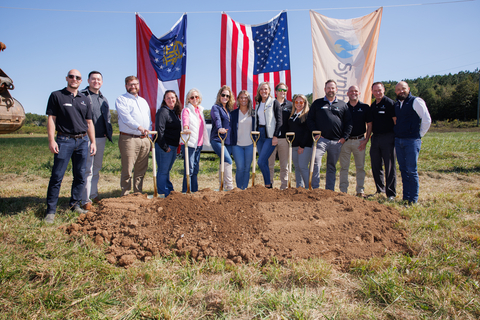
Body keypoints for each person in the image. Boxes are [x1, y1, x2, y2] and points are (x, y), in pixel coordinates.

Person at [44, 69, 96, 223]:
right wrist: (51, 140)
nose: (74, 79)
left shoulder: (85, 99)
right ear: (66, 78)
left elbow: (89, 122)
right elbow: (51, 119)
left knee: (80, 175)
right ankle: (51, 211)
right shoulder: (56, 96)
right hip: (64, 140)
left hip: (82, 141)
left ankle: (75, 204)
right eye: (71, 76)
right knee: (57, 176)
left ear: (81, 81)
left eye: (77, 77)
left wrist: (92, 142)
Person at [307, 79, 352, 191]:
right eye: (328, 88)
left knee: (331, 167)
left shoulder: (343, 105)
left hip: (336, 142)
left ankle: (329, 191)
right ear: (325, 89)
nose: (330, 90)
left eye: (332, 88)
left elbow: (349, 123)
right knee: (315, 162)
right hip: (320, 141)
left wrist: (344, 138)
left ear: (336, 89)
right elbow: (310, 120)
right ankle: (315, 189)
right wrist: (316, 134)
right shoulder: (317, 103)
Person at [394, 81, 431, 205]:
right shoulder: (397, 104)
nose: (401, 91)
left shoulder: (416, 101)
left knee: (411, 170)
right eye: (398, 89)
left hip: (411, 141)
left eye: (403, 88)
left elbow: (426, 119)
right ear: (395, 92)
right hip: (399, 141)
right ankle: (406, 197)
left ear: (408, 89)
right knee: (403, 170)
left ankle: (413, 199)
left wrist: (419, 135)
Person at [80, 71, 113, 210]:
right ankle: (84, 199)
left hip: (101, 138)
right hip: (86, 138)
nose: (96, 81)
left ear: (102, 82)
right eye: (93, 79)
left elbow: (108, 117)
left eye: (99, 79)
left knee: (96, 169)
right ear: (88, 80)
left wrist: (107, 132)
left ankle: (93, 194)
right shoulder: (81, 96)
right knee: (87, 169)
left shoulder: (103, 99)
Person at [115, 76, 151, 197]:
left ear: (138, 85)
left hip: (144, 139)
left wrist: (148, 134)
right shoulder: (121, 100)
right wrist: (139, 127)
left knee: (141, 169)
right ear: (126, 86)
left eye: (135, 84)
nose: (133, 86)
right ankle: (125, 194)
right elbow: (126, 118)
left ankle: (137, 193)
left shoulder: (143, 101)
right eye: (130, 84)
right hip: (129, 138)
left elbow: (148, 120)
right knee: (128, 169)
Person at [338, 85, 372, 197]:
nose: (353, 93)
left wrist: (366, 139)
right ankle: (343, 191)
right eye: (351, 91)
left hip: (360, 141)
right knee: (344, 167)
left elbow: (369, 124)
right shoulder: (343, 107)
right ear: (347, 94)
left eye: (356, 91)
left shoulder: (365, 107)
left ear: (359, 93)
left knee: (360, 167)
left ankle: (360, 191)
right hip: (345, 142)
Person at [366, 82, 397, 201]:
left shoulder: (389, 103)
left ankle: (391, 194)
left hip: (388, 137)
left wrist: (395, 137)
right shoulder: (373, 106)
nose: (377, 92)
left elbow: (395, 121)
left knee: (389, 166)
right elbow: (370, 124)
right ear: (372, 92)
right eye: (375, 90)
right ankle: (380, 190)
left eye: (379, 90)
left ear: (383, 90)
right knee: (376, 165)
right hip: (376, 138)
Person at [254, 82, 282, 188]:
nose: (263, 91)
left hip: (270, 136)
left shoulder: (274, 102)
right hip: (260, 135)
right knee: (264, 161)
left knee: (261, 161)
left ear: (269, 90)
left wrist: (275, 136)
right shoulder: (258, 104)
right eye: (261, 89)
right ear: (259, 91)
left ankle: (268, 185)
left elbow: (279, 121)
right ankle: (268, 185)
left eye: (265, 89)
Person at [181, 88, 209, 193]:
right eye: (192, 97)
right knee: (189, 169)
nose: (194, 99)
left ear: (199, 98)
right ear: (188, 99)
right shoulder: (186, 110)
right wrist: (185, 128)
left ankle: (195, 191)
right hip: (190, 143)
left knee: (195, 169)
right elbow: (185, 120)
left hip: (199, 143)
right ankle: (186, 191)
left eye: (196, 97)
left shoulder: (200, 111)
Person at [155, 90, 182, 197]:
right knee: (163, 170)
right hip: (165, 147)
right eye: (168, 98)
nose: (171, 100)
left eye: (173, 97)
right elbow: (159, 130)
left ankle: (169, 191)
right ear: (164, 100)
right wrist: (165, 147)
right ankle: (163, 193)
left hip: (173, 146)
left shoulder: (174, 113)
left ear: (176, 99)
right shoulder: (162, 112)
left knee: (167, 170)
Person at [268, 83, 293, 189]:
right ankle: (269, 185)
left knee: (284, 165)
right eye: (280, 89)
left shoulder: (291, 105)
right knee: (270, 165)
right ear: (276, 91)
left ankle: (284, 186)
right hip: (271, 138)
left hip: (284, 139)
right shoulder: (270, 104)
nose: (282, 91)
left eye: (284, 90)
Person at [210, 85, 235, 190]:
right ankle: (229, 187)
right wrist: (220, 128)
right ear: (219, 95)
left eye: (227, 96)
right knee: (228, 160)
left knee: (223, 162)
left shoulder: (228, 110)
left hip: (227, 140)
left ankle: (222, 186)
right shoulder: (216, 107)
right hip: (218, 139)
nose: (225, 97)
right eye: (223, 95)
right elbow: (217, 119)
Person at [230, 90, 255, 190]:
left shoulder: (253, 113)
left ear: (248, 99)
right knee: (240, 168)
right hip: (237, 145)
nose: (243, 100)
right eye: (241, 97)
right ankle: (238, 189)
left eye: (246, 98)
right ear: (238, 99)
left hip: (250, 144)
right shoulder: (234, 113)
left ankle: (245, 189)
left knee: (247, 168)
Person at [288, 94, 312, 188]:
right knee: (297, 168)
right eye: (296, 102)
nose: (298, 104)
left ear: (305, 103)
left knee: (303, 167)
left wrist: (302, 146)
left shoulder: (307, 115)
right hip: (293, 145)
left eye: (301, 102)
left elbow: (307, 132)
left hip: (304, 146)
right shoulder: (292, 115)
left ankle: (308, 188)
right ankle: (299, 187)